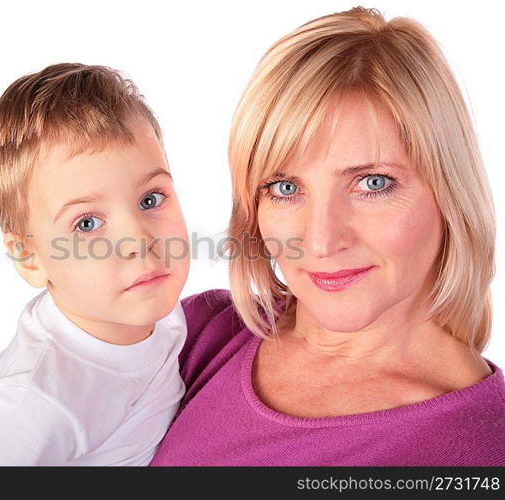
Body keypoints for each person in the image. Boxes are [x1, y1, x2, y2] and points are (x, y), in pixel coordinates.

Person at [150, 7, 505, 466]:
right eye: (285, 188)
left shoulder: (479, 450)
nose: (319, 241)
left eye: (372, 183)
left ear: (449, 189)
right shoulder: (202, 333)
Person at [0, 63, 191, 465]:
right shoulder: (30, 406)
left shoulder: (167, 317)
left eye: (150, 199)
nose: (139, 241)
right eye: (87, 223)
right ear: (30, 258)